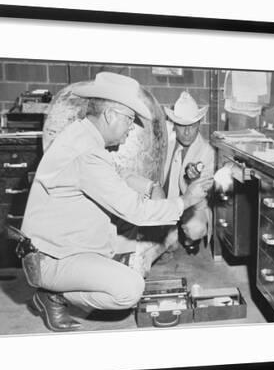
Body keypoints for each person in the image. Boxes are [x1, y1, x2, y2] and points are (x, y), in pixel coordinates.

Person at [20, 72, 212, 332]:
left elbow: (116, 173)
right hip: (52, 257)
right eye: (130, 120)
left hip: (66, 240)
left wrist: (149, 185)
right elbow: (135, 210)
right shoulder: (87, 153)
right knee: (130, 288)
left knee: (140, 249)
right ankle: (53, 295)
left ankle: (87, 274)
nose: (131, 127)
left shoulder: (82, 136)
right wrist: (185, 200)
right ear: (110, 115)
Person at [133, 91, 215, 275]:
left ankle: (181, 239)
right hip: (164, 201)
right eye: (181, 125)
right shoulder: (166, 141)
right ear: (174, 125)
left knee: (195, 229)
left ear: (199, 124)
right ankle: (168, 238)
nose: (187, 132)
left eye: (192, 126)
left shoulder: (207, 152)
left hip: (190, 207)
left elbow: (202, 197)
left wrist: (192, 180)